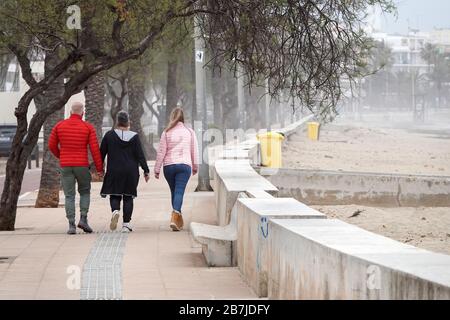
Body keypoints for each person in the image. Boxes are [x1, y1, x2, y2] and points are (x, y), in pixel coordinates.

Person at [48, 102, 103, 235]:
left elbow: (51, 145)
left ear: (70, 112)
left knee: (69, 195)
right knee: (84, 192)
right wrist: (100, 168)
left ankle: (71, 225)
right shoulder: (87, 127)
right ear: (82, 113)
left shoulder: (59, 126)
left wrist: (61, 156)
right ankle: (83, 219)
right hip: (82, 165)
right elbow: (95, 149)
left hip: (65, 166)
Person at [100, 111, 150, 233]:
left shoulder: (109, 135)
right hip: (130, 171)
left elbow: (101, 153)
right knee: (128, 197)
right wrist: (146, 170)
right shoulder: (134, 136)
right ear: (128, 122)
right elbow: (140, 155)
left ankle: (115, 210)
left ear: (117, 122)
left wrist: (98, 168)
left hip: (114, 170)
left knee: (115, 193)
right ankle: (126, 225)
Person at [154, 107, 199, 231]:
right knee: (179, 192)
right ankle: (175, 216)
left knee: (174, 192)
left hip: (169, 167)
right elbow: (194, 150)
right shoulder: (189, 132)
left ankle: (177, 219)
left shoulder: (166, 132)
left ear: (172, 118)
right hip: (184, 166)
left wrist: (157, 169)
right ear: (183, 118)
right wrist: (195, 166)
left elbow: (161, 151)